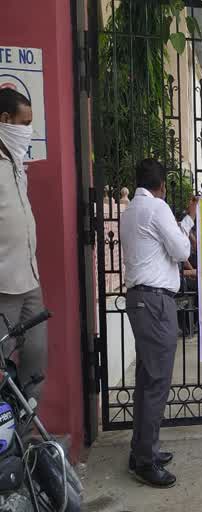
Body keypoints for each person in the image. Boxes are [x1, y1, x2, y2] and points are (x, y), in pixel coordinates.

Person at [121, 159, 197, 488]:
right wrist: (188, 221)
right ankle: (146, 461)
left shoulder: (130, 211)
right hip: (155, 302)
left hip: (140, 300)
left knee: (145, 380)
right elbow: (181, 250)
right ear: (162, 185)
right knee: (156, 383)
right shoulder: (157, 208)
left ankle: (141, 450)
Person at [0, 88, 48, 402]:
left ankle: (27, 435)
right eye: (23, 122)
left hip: (29, 280)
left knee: (35, 360)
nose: (28, 130)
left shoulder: (16, 163)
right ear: (5, 120)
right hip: (3, 286)